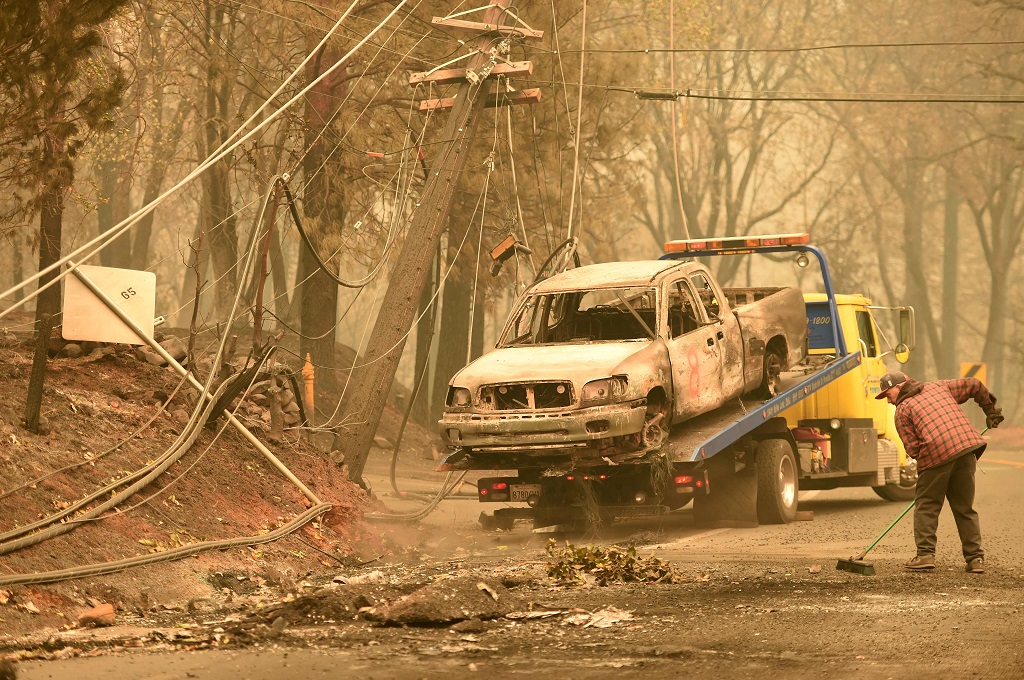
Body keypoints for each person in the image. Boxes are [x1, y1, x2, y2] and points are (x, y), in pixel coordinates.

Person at [876, 371, 1003, 573]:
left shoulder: (902, 410)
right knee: (964, 508)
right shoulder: (938, 387)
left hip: (936, 455)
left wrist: (930, 470)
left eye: (888, 394)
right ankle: (975, 559)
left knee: (927, 505)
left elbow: (913, 449)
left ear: (899, 387)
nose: (888, 400)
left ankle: (925, 555)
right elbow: (974, 385)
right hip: (966, 449)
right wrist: (991, 411)